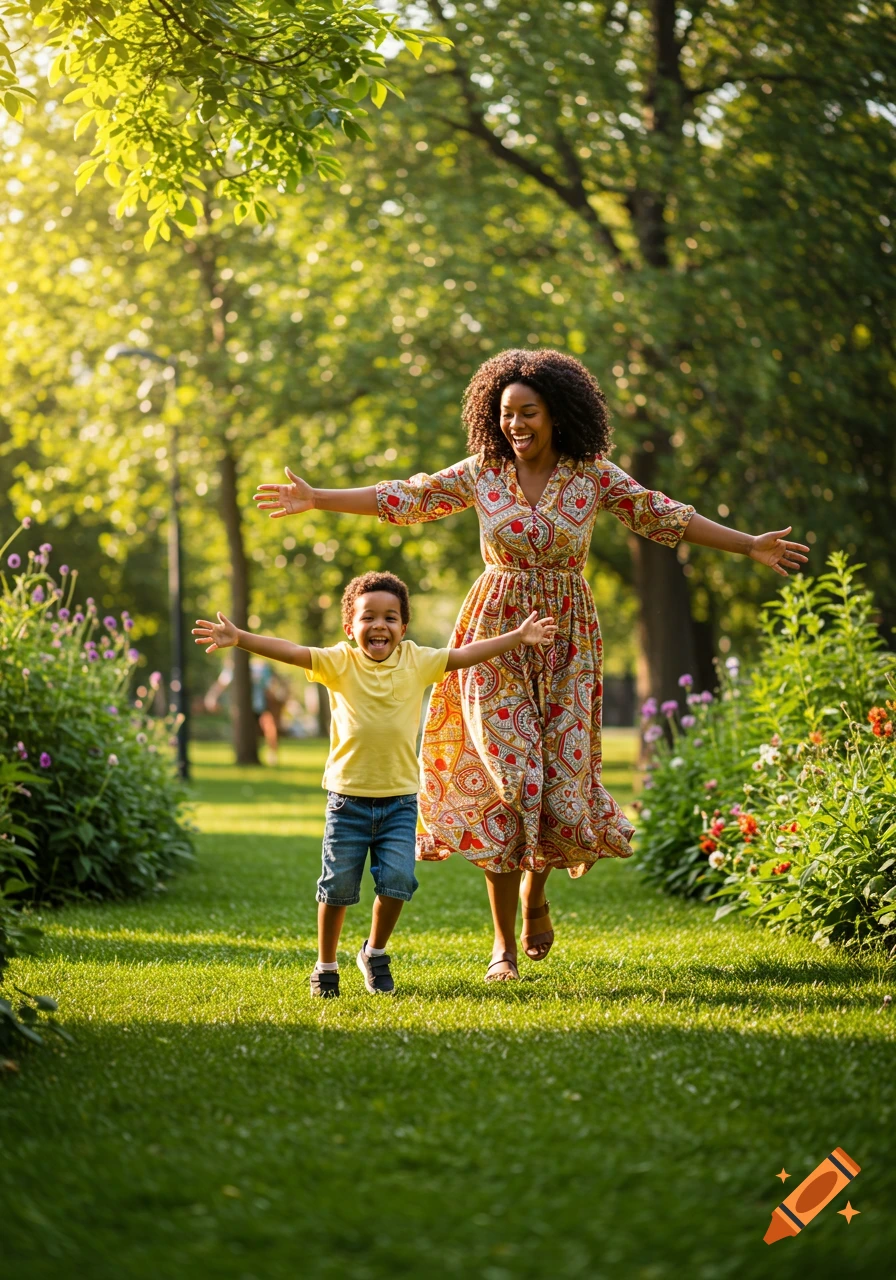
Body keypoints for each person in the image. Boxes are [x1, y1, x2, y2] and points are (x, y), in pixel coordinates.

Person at [254, 349, 808, 982]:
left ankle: (535, 892)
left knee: (558, 785)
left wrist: (748, 544)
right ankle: (502, 947)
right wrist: (316, 498)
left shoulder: (591, 475)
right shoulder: (482, 473)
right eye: (505, 413)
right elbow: (405, 497)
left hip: (569, 642)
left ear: (558, 413)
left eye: (528, 412)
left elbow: (664, 514)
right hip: (495, 636)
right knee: (510, 781)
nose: (515, 424)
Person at [193, 570, 556, 996]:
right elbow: (290, 651)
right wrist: (241, 639)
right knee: (336, 888)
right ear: (351, 628)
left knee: (398, 883)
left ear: (403, 627)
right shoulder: (338, 662)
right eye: (368, 618)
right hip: (347, 802)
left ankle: (374, 952)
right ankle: (325, 966)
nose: (378, 625)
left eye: (390, 617)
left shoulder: (418, 661)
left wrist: (518, 637)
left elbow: (465, 654)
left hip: (400, 802)